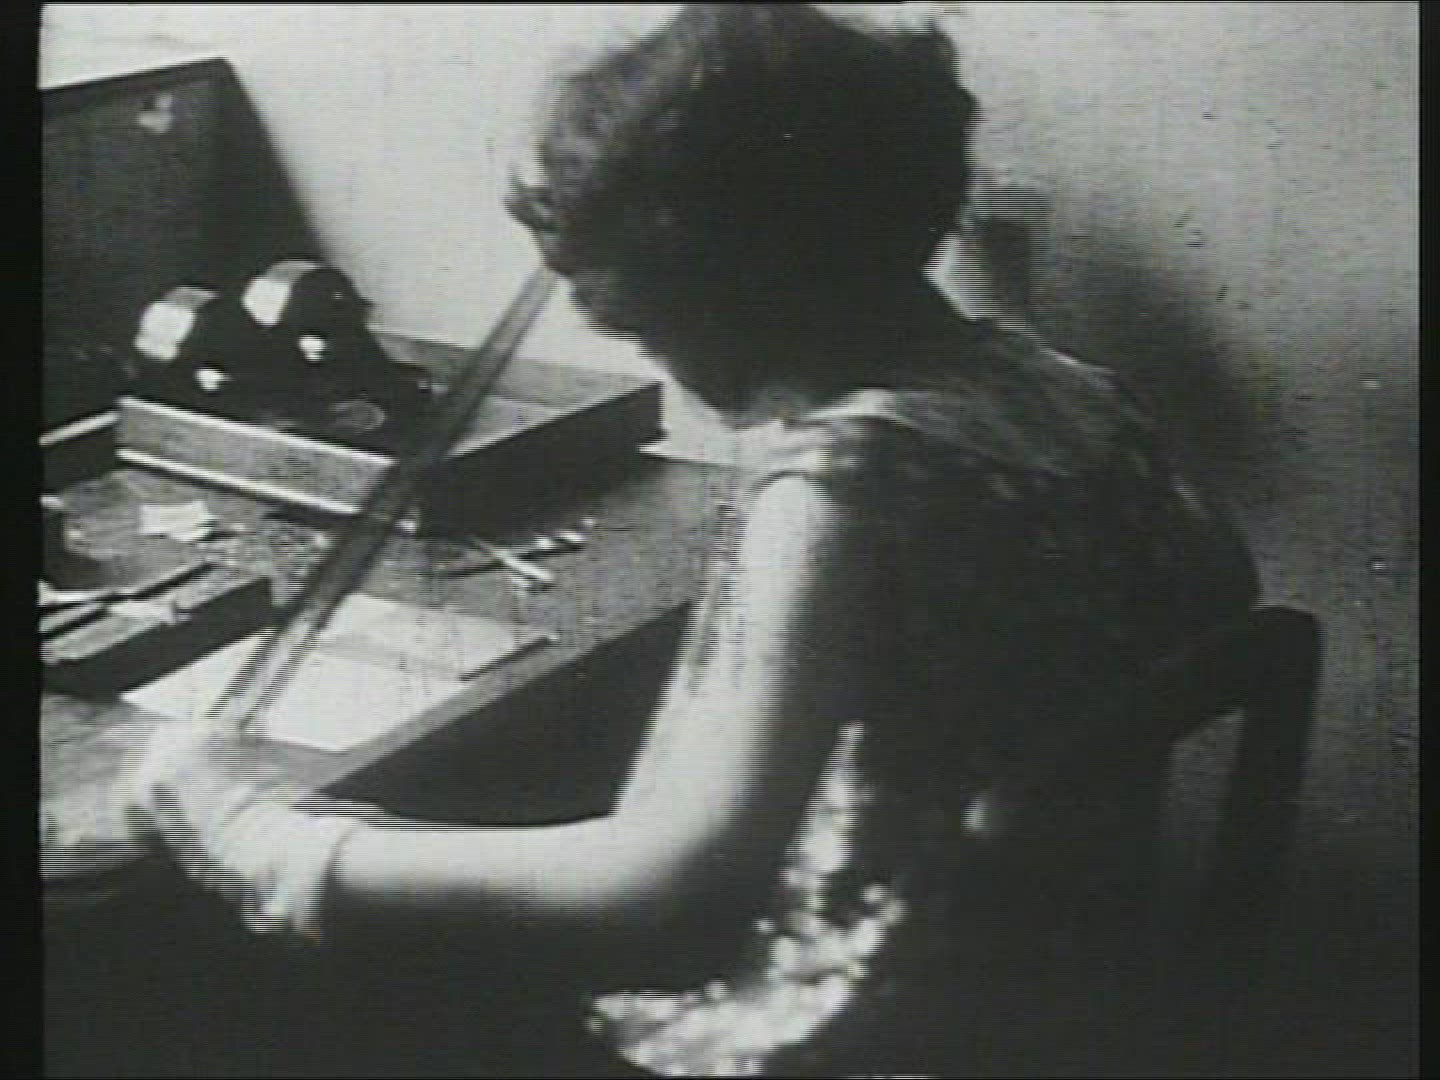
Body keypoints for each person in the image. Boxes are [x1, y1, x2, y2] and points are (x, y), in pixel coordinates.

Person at [117, 5, 1259, 1076]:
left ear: (734, 288)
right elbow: (1222, 585)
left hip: (833, 1031)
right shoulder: (1069, 391)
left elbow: (660, 889)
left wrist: (275, 843)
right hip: (1049, 987)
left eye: (648, 329)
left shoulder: (840, 489)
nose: (661, 361)